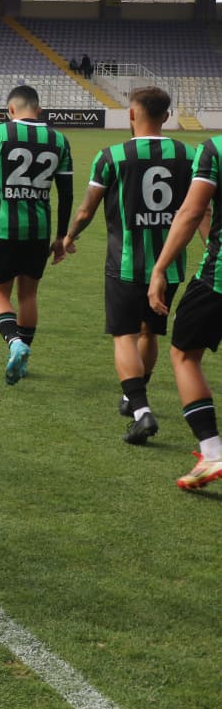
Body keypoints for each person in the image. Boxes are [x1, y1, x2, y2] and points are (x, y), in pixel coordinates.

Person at [63, 87, 190, 444]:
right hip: (169, 265)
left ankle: (140, 409)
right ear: (166, 116)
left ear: (131, 115)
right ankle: (133, 397)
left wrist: (70, 236)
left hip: (125, 263)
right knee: (150, 332)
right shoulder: (187, 154)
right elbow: (201, 209)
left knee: (124, 335)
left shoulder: (112, 156)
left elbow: (87, 209)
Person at [0, 85, 73, 385]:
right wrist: (62, 236)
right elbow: (66, 194)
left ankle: (15, 344)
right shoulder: (59, 139)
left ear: (11, 110)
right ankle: (23, 358)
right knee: (28, 295)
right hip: (38, 232)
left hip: (4, 229)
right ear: (39, 109)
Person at [148, 130, 222, 489]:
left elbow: (193, 211)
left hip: (218, 279)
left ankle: (211, 452)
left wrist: (160, 269)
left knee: (184, 355)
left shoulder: (215, 148)